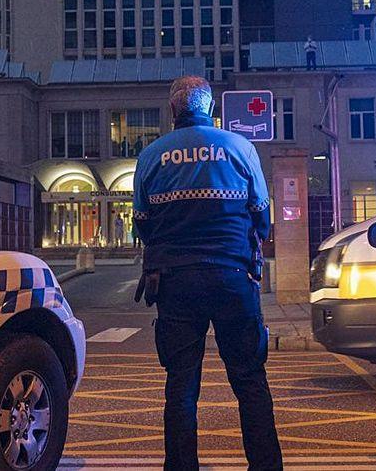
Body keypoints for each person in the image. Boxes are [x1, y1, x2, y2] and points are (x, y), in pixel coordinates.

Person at [132, 75, 282, 471]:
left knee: (181, 385)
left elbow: (143, 223)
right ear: (211, 109)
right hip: (234, 278)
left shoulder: (151, 156)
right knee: (250, 380)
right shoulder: (240, 148)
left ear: (172, 111)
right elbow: (262, 216)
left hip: (176, 282)